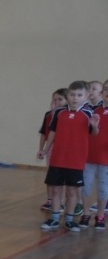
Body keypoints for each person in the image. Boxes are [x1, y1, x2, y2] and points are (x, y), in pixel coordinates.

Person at [38, 81, 100, 231]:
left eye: (79, 95)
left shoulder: (89, 113)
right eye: (72, 94)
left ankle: (70, 219)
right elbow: (52, 132)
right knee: (56, 190)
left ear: (86, 96)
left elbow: (94, 134)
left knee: (72, 191)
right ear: (68, 95)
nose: (75, 98)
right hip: (58, 158)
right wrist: (45, 150)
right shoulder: (60, 113)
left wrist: (94, 126)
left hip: (76, 160)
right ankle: (54, 218)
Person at [80, 80, 108, 229]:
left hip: (106, 158)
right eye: (106, 89)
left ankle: (101, 215)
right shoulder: (92, 110)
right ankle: (86, 214)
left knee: (104, 189)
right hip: (89, 156)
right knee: (86, 187)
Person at [38, 88, 68, 211]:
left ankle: (62, 201)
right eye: (54, 100)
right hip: (51, 148)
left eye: (60, 99)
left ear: (67, 100)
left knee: (63, 176)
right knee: (51, 175)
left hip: (63, 148)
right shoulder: (48, 115)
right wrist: (41, 149)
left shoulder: (67, 114)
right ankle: (50, 199)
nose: (56, 102)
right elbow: (44, 133)